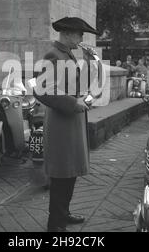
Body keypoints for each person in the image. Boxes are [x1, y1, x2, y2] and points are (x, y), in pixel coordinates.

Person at [33, 17, 99, 232]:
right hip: (62, 123)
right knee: (61, 175)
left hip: (71, 121)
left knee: (69, 173)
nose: (81, 39)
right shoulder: (54, 55)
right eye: (80, 34)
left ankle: (64, 213)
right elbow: (42, 90)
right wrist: (73, 104)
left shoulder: (68, 54)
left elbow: (81, 84)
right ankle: (55, 224)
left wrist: (89, 61)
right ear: (69, 33)